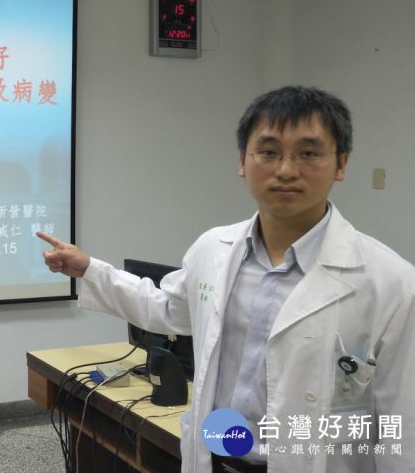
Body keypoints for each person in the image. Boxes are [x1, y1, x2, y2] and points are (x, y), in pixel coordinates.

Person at [38, 86, 415, 473]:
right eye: (268, 152)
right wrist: (90, 269)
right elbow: (167, 308)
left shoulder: (390, 281)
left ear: (340, 164)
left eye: (308, 153)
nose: (286, 170)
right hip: (214, 458)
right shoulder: (213, 249)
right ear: (243, 161)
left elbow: (402, 425)